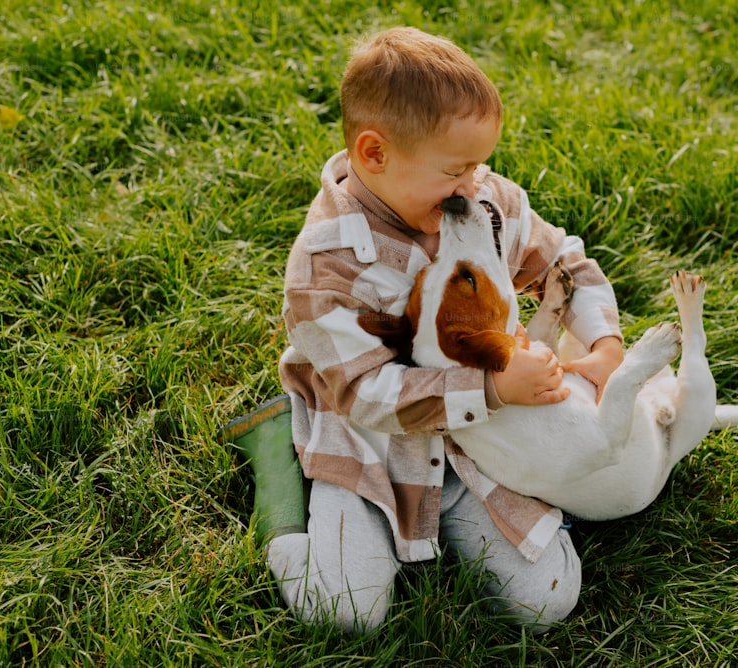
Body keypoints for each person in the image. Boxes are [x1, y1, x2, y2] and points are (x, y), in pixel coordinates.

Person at [236, 26, 624, 634]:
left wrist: (603, 344)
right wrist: (492, 390)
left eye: (479, 165)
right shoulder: (326, 266)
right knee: (345, 612)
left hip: (477, 442)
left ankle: (492, 508)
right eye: (455, 171)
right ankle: (278, 467)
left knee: (546, 600)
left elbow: (561, 261)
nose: (474, 186)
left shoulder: (481, 197)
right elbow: (367, 395)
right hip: (369, 443)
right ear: (374, 154)